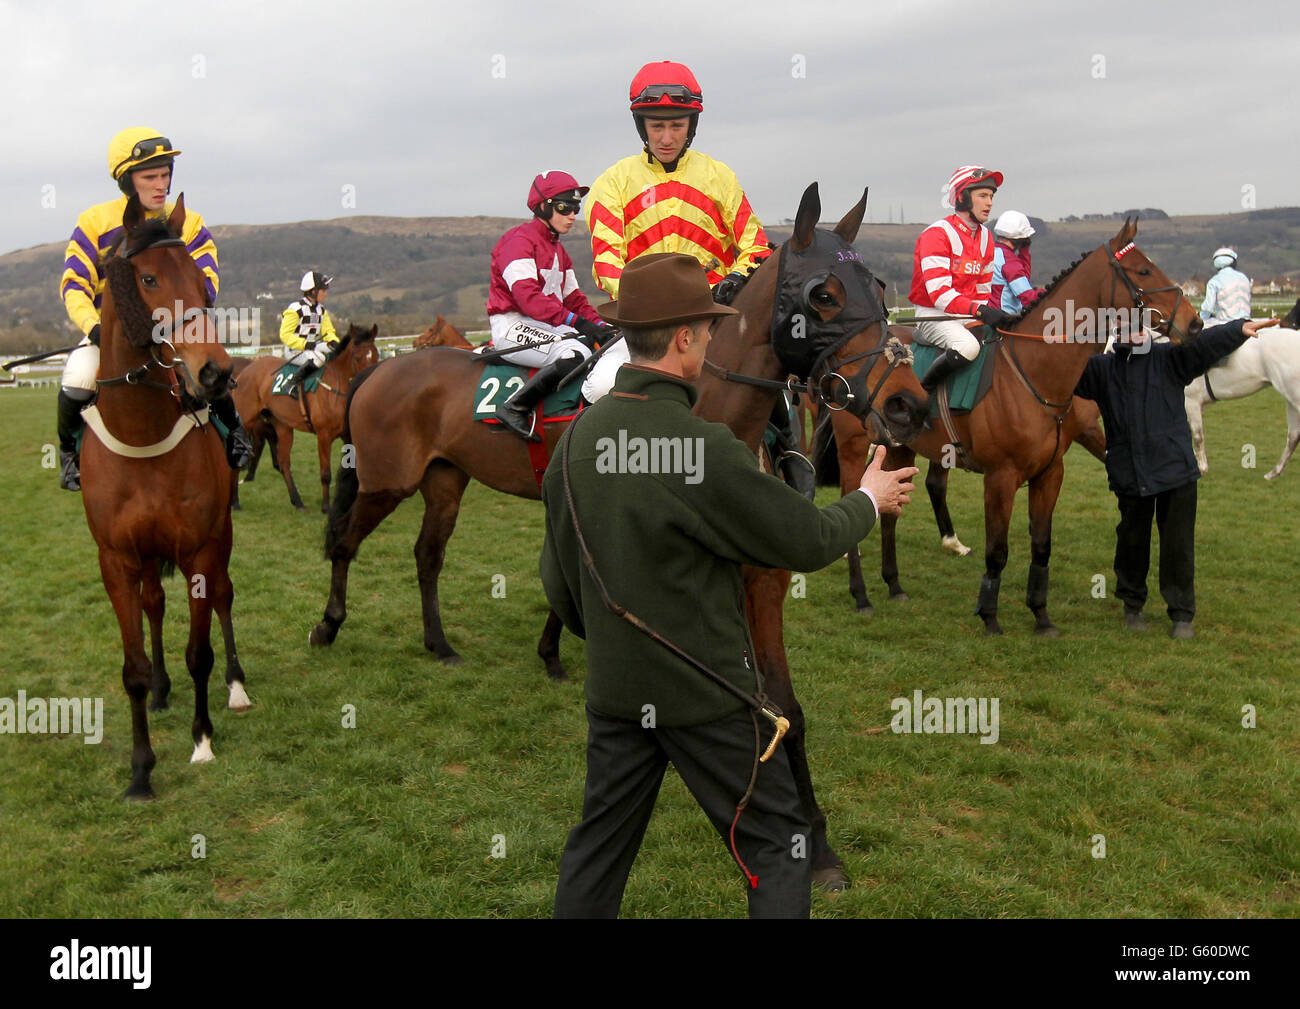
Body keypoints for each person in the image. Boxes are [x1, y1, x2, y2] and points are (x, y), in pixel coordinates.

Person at [540, 253, 919, 918]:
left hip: (614, 693)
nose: (715, 340)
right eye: (709, 330)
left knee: (597, 854)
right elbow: (807, 539)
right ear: (685, 337)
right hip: (707, 695)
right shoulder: (706, 446)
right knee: (781, 846)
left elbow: (561, 588)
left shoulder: (573, 444)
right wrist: (868, 498)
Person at [585, 61, 815, 498]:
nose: (666, 137)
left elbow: (757, 247)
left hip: (715, 318)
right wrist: (657, 308)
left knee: (770, 373)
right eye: (657, 126)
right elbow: (608, 265)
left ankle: (790, 455)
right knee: (598, 385)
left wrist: (733, 281)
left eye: (676, 125)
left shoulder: (719, 177)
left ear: (691, 127)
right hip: (648, 325)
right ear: (642, 127)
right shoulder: (611, 183)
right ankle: (604, 483)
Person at [57, 126, 252, 490]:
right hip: (114, 336)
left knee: (210, 368)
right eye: (150, 176)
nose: (160, 184)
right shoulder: (94, 222)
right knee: (79, 375)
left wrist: (181, 321)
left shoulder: (189, 223)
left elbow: (207, 277)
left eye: (165, 175)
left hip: (177, 329)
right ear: (127, 182)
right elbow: (73, 284)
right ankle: (69, 455)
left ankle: (235, 431)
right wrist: (94, 328)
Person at [1073, 315, 1276, 639]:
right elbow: (1062, 369)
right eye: (1126, 327)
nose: (1134, 333)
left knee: (1178, 545)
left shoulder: (1170, 359)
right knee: (1131, 542)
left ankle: (1181, 614)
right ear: (1116, 333)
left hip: (1175, 471)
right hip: (1130, 474)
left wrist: (1237, 328)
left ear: (1148, 331)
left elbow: (1205, 345)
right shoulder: (1100, 369)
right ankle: (1132, 605)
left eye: (1139, 326)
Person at [488, 172, 616, 440]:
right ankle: (514, 407)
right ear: (543, 207)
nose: (572, 215)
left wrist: (602, 327)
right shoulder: (518, 241)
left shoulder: (558, 250)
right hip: (512, 325)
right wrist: (579, 324)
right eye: (564, 207)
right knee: (575, 353)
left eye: (575, 208)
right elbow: (528, 299)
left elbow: (575, 301)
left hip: (541, 325)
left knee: (599, 348)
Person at [909, 165, 1018, 396]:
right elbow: (940, 295)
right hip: (932, 314)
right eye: (982, 196)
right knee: (968, 347)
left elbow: (982, 288)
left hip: (966, 314)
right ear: (961, 197)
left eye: (991, 196)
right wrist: (980, 311)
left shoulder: (987, 238)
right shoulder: (936, 235)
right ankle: (920, 397)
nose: (989, 203)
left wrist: (983, 311)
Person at [279, 270, 340, 395]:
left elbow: (328, 331)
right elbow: (285, 335)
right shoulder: (295, 309)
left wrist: (334, 342)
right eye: (323, 291)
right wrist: (305, 344)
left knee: (337, 350)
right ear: (313, 291)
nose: (326, 294)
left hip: (311, 347)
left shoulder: (321, 310)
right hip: (294, 350)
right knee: (320, 358)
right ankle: (291, 384)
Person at [989, 210, 1044, 315]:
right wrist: (1049, 292)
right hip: (1003, 321)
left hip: (983, 317)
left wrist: (1024, 254)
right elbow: (1028, 298)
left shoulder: (988, 252)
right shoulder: (1010, 262)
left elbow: (1023, 279)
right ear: (1022, 239)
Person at [1200, 247, 1252, 327]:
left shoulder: (1214, 281)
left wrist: (1200, 317)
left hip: (1225, 323)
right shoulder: (1244, 278)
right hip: (1246, 321)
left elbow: (1208, 307)